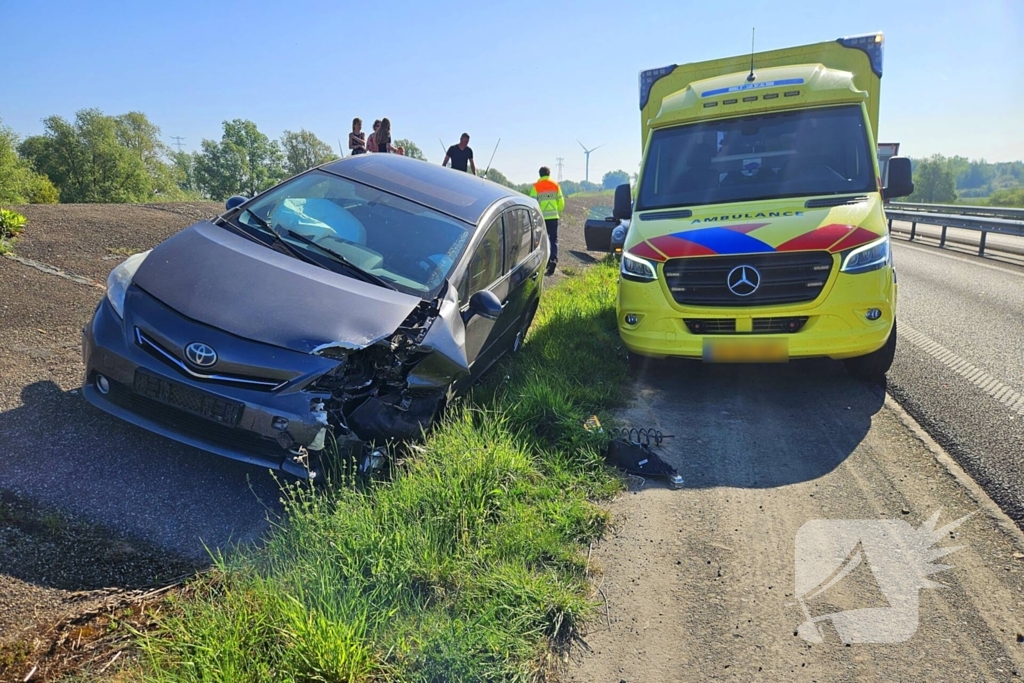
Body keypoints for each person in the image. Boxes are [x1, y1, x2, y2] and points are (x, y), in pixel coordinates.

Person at [529, 166, 565, 275]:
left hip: (541, 218)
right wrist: (557, 211)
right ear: (549, 174)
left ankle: (541, 263)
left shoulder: (536, 186)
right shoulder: (556, 185)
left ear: (540, 174)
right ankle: (553, 260)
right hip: (553, 217)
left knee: (540, 240)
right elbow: (561, 202)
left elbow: (532, 202)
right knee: (554, 240)